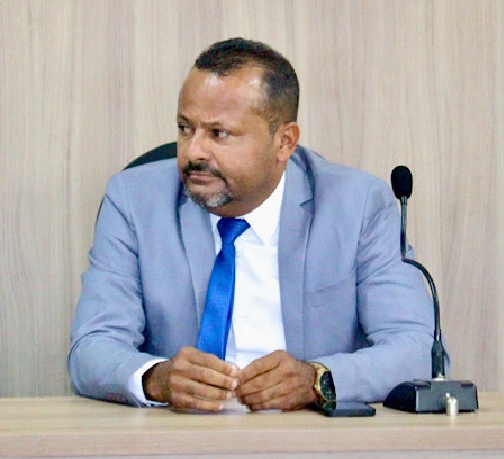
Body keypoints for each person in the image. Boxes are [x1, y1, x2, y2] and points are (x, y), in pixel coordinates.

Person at [69, 37, 435, 412]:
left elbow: (418, 349)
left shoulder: (357, 206)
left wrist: (317, 380)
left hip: (307, 433)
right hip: (178, 433)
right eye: (185, 128)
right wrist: (155, 378)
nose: (193, 151)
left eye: (219, 133)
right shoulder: (134, 200)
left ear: (284, 142)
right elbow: (92, 348)